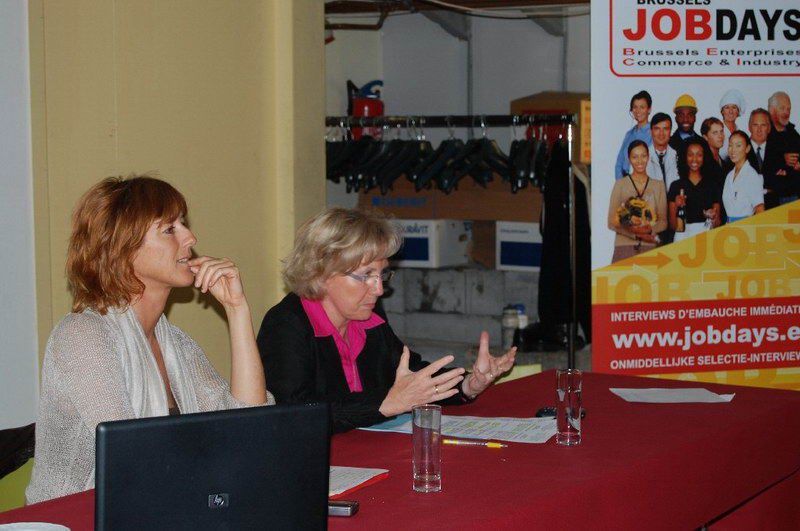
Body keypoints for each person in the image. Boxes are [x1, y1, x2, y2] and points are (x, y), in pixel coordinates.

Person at [26, 175, 272, 504]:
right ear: (122, 249)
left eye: (183, 224)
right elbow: (134, 459)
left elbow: (250, 429)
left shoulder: (175, 344)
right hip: (73, 516)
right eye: (170, 229)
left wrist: (237, 309)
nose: (191, 237)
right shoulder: (82, 335)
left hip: (154, 507)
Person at [256, 208, 516, 433]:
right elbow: (292, 413)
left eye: (382, 275)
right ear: (321, 273)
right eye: (366, 276)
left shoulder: (367, 318)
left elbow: (412, 376)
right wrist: (386, 404)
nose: (379, 289)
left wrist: (469, 384)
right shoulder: (286, 325)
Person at [608, 140, 668, 262]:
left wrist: (649, 230)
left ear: (648, 157)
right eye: (635, 157)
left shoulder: (658, 185)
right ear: (629, 159)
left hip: (649, 247)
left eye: (643, 156)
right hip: (624, 247)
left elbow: (663, 222)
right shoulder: (620, 184)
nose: (640, 161)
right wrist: (635, 233)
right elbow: (611, 222)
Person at [668, 139, 722, 242]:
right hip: (683, 240)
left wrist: (712, 217)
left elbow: (717, 223)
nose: (694, 159)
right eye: (690, 155)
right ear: (684, 157)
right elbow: (673, 226)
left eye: (699, 155)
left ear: (705, 157)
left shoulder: (713, 186)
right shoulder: (676, 186)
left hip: (707, 239)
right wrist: (678, 207)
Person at [766, 91, 800, 205]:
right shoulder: (763, 132)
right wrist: (782, 159)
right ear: (771, 110)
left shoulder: (793, 133)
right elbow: (760, 162)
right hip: (772, 199)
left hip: (794, 196)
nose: (786, 112)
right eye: (782, 108)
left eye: (788, 109)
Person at [723, 131, 765, 223]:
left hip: (746, 227)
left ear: (747, 148)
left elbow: (760, 209)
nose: (733, 150)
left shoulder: (751, 175)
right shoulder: (729, 175)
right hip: (729, 226)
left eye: (738, 146)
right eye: (730, 145)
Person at [614, 90, 653, 179]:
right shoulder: (629, 134)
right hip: (626, 180)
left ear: (649, 109)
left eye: (642, 107)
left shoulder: (653, 133)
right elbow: (619, 162)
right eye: (635, 107)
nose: (638, 111)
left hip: (644, 180)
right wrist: (621, 183)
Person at [718, 89, 746, 160]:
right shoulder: (716, 131)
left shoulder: (741, 134)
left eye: (734, 107)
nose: (730, 111)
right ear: (722, 111)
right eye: (727, 107)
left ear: (738, 112)